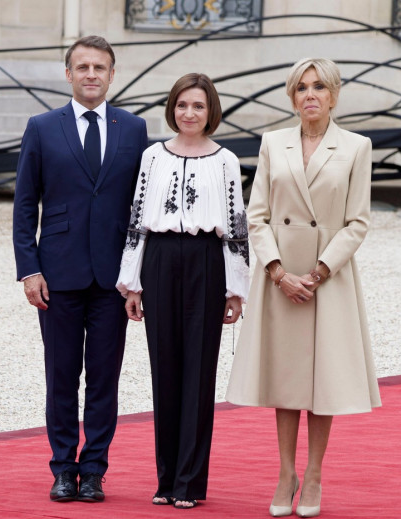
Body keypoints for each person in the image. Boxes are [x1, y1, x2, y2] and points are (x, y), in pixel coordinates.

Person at [225, 57, 382, 518]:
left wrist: (318, 273)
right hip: (281, 276)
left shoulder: (356, 147)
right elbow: (256, 216)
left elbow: (358, 222)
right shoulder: (273, 143)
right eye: (301, 88)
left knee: (324, 378)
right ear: (292, 97)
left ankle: (313, 474)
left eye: (318, 87)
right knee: (287, 378)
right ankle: (285, 472)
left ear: (333, 95)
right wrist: (278, 272)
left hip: (326, 279)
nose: (309, 95)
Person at [12, 35, 148, 503]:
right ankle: (63, 469)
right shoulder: (42, 127)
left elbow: (140, 209)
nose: (92, 74)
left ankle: (94, 470)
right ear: (68, 74)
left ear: (113, 74)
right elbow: (25, 205)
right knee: (62, 375)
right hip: (58, 274)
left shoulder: (133, 129)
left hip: (113, 278)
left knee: (105, 379)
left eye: (101, 67)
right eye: (83, 67)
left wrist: (136, 275)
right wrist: (29, 269)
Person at [116, 73, 249, 510]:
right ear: (171, 109)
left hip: (206, 262)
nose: (188, 113)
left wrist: (236, 289)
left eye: (197, 106)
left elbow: (236, 226)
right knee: (165, 370)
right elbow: (136, 218)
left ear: (211, 111)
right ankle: (166, 478)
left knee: (198, 373)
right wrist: (131, 282)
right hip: (158, 262)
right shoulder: (152, 156)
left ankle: (190, 483)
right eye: (181, 105)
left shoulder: (226, 160)